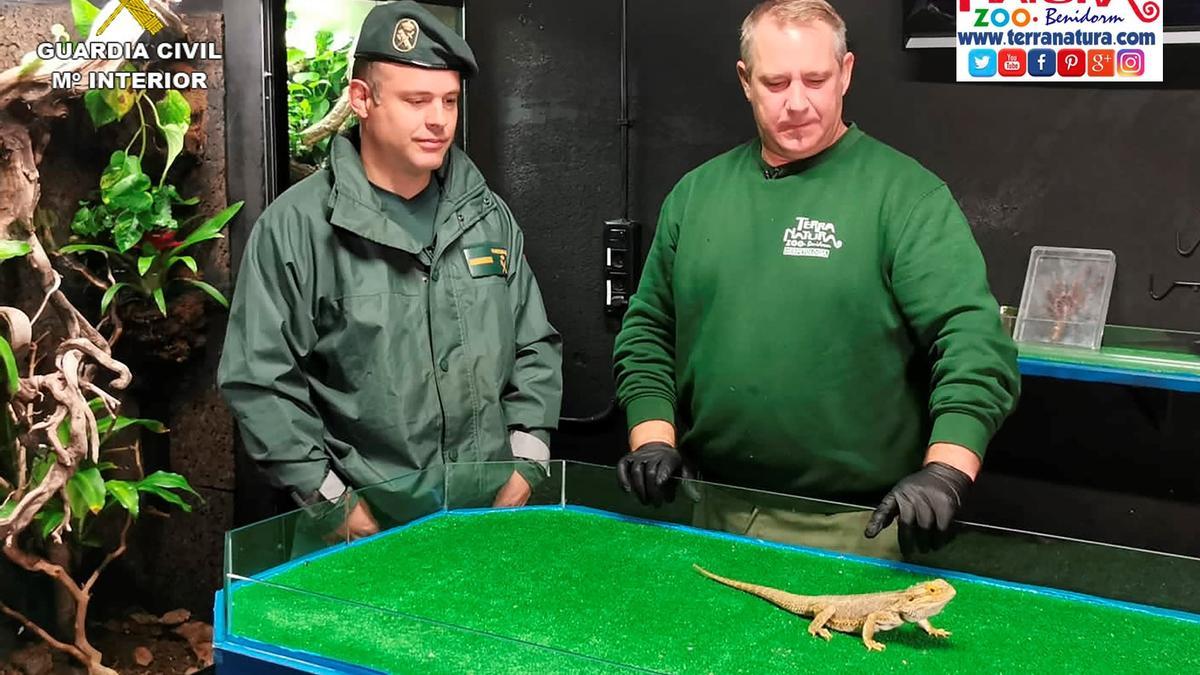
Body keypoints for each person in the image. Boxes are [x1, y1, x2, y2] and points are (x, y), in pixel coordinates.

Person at [611, 0, 1018, 558]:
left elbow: (972, 342)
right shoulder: (696, 195)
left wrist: (947, 470)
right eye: (776, 82)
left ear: (846, 73)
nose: (797, 102)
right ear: (745, 81)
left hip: (858, 527)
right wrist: (652, 438)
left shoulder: (904, 196)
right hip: (709, 510)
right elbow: (648, 331)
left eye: (816, 79)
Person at [219, 1, 562, 541]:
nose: (438, 119)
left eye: (449, 100)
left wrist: (526, 463)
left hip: (489, 519)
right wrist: (332, 502)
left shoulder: (486, 216)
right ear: (362, 100)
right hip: (365, 526)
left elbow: (534, 345)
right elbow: (259, 379)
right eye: (416, 100)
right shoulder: (298, 227)